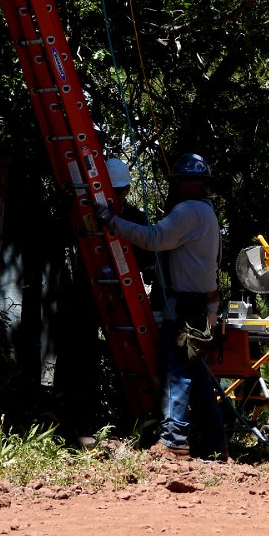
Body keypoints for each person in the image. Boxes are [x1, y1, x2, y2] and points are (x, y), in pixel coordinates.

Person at [94, 153, 226, 459]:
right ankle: (216, 443)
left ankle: (174, 440)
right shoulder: (206, 211)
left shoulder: (189, 211)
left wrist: (112, 221)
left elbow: (153, 238)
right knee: (199, 374)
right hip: (202, 303)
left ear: (192, 183)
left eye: (181, 181)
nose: (177, 186)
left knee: (177, 369)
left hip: (187, 307)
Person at [104, 157, 156, 287]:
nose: (112, 196)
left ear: (127, 189)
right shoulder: (90, 213)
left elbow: (148, 259)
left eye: (116, 192)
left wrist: (148, 269)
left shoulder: (138, 218)